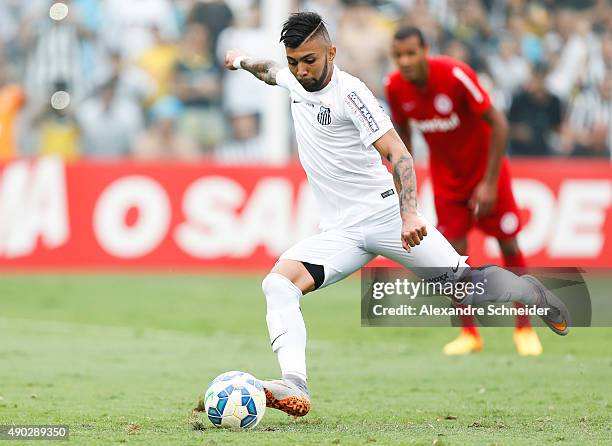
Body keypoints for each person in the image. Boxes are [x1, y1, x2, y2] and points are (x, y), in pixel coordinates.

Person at [223, 12, 569, 418]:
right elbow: (271, 72)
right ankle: (294, 383)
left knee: (465, 284)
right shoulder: (293, 79)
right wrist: (242, 60)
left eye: (310, 60)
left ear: (331, 53)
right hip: (341, 231)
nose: (301, 70)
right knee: (278, 285)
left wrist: (408, 216)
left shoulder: (351, 93)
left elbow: (399, 154)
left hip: (387, 217)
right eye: (295, 61)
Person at [385, 26, 543, 356]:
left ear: (425, 50)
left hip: (488, 175)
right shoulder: (395, 88)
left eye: (411, 53)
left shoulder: (456, 75)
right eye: (398, 55)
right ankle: (469, 333)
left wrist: (488, 183)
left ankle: (525, 329)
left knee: (509, 244)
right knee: (452, 258)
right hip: (448, 183)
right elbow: (402, 143)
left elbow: (498, 123)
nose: (405, 61)